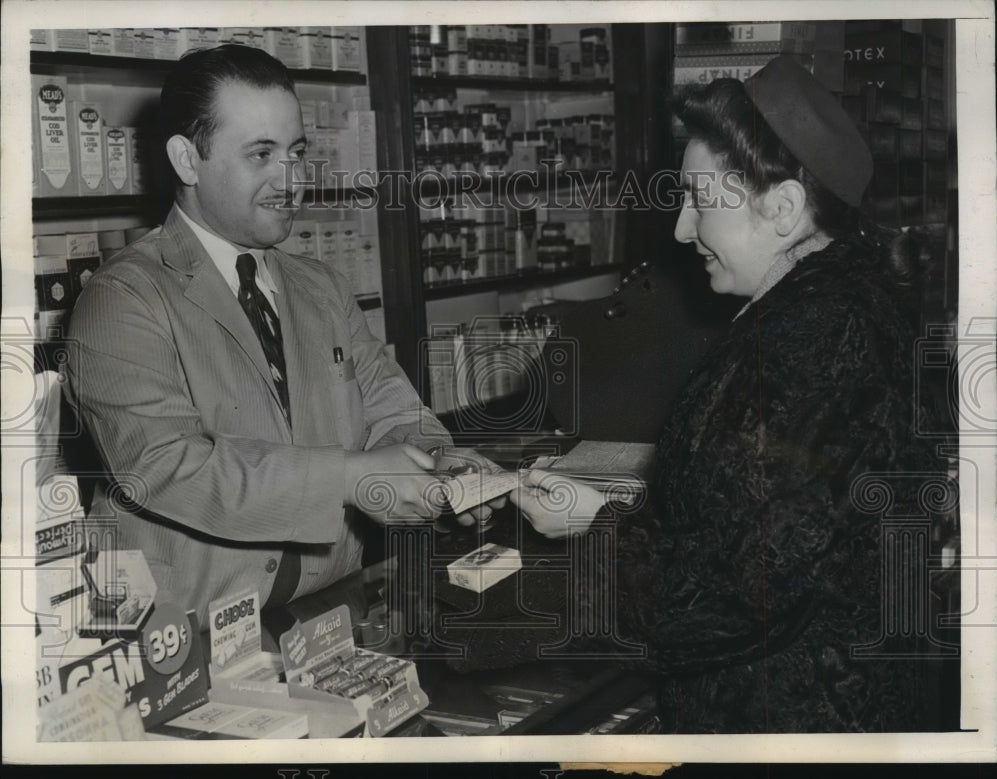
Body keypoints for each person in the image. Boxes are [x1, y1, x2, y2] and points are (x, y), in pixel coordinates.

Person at [510, 56, 950, 732]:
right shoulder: (838, 309)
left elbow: (743, 591)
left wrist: (590, 529)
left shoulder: (814, 343)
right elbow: (764, 520)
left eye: (699, 199)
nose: (684, 230)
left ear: (783, 209)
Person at [65, 44, 501, 628]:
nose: (289, 180)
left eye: (296, 153)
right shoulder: (123, 298)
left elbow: (393, 411)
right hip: (186, 632)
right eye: (261, 155)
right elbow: (167, 468)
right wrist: (351, 476)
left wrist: (446, 467)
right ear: (187, 160)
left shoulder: (320, 286)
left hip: (331, 608)